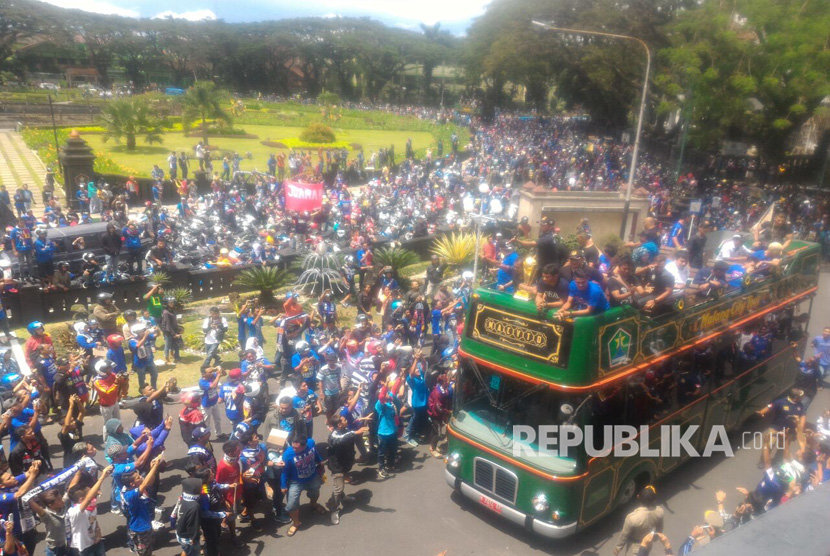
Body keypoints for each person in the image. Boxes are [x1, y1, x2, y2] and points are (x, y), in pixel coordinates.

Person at [325, 414, 369, 525]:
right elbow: (340, 440)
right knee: (338, 488)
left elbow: (353, 425)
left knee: (339, 488)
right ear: (339, 424)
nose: (346, 420)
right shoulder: (334, 436)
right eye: (344, 420)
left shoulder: (345, 429)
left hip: (345, 464)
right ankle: (334, 509)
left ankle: (342, 497)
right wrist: (355, 433)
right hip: (337, 467)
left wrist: (363, 419)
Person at [280, 434, 325, 537]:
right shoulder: (288, 454)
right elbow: (285, 471)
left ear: (304, 445)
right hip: (296, 482)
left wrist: (320, 462)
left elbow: (315, 453)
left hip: (312, 477)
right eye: (292, 446)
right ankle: (296, 523)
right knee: (291, 504)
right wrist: (283, 485)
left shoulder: (311, 443)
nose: (294, 449)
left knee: (315, 492)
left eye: (297, 448)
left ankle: (313, 504)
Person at [121, 455, 164, 556]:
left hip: (146, 523)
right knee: (143, 552)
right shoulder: (130, 495)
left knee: (148, 548)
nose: (141, 477)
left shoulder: (135, 486)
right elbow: (145, 483)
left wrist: (152, 468)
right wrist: (153, 467)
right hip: (140, 528)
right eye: (138, 477)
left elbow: (150, 481)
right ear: (132, 484)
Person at [66, 465, 114, 556]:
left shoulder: (91, 507)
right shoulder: (75, 512)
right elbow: (87, 498)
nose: (94, 496)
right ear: (81, 500)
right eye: (92, 495)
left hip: (96, 541)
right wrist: (102, 477)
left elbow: (93, 519)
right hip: (82, 549)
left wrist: (98, 531)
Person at [613, 486, 664, 555]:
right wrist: (655, 537)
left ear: (638, 497)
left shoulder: (632, 518)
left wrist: (618, 548)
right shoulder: (659, 512)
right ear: (654, 500)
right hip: (648, 544)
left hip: (635, 548)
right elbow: (659, 529)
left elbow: (624, 535)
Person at [129, 322, 158, 391]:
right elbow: (138, 345)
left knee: (154, 375)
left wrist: (157, 330)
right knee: (142, 378)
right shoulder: (132, 341)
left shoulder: (147, 336)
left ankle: (154, 388)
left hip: (149, 360)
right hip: (140, 362)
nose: (144, 332)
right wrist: (145, 336)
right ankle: (143, 390)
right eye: (142, 331)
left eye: (144, 330)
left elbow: (155, 336)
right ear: (136, 332)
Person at [160, 297, 181, 365]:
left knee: (174, 344)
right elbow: (167, 325)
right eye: (170, 302)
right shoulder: (166, 312)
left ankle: (173, 355)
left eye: (172, 302)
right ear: (166, 303)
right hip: (168, 331)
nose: (172, 303)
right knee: (168, 345)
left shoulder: (172, 310)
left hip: (174, 330)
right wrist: (174, 334)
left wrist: (177, 330)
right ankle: (167, 359)